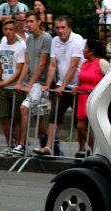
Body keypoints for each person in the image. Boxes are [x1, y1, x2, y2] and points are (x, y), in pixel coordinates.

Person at [33, 16, 84, 156]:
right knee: (54, 116)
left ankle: (82, 149)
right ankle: (48, 146)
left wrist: (64, 85)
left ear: (69, 28)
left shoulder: (78, 40)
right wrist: (48, 85)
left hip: (77, 86)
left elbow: (74, 65)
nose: (60, 31)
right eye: (58, 28)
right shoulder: (55, 41)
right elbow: (53, 65)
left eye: (63, 27)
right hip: (62, 84)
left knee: (80, 122)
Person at [13, 10, 52, 156]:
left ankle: (21, 144)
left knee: (24, 108)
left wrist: (30, 84)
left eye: (31, 21)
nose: (28, 24)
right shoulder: (29, 40)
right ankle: (46, 145)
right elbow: (27, 63)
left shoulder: (46, 38)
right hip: (32, 82)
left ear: (39, 22)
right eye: (27, 21)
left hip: (41, 83)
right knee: (38, 116)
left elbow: (42, 63)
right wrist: (20, 82)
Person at [0, 18, 25, 153]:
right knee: (4, 117)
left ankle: (18, 148)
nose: (8, 32)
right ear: (3, 30)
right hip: (3, 86)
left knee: (17, 119)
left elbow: (19, 70)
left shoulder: (20, 47)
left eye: (11, 29)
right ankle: (10, 145)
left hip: (15, 88)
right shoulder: (1, 46)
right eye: (6, 29)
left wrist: (6, 83)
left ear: (15, 30)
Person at [71, 39, 108, 158]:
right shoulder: (85, 63)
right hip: (83, 99)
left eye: (85, 48)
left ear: (92, 51)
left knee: (97, 129)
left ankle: (103, 152)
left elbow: (110, 78)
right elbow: (81, 78)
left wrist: (98, 90)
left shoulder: (101, 62)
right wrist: (77, 86)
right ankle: (95, 150)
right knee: (81, 127)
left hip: (95, 100)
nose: (83, 50)